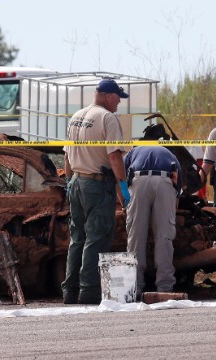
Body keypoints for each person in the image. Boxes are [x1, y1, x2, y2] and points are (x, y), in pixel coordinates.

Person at [62, 78, 131, 305]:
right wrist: (122, 188)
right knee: (96, 237)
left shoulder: (77, 116)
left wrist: (69, 182)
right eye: (118, 98)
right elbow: (114, 156)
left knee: (77, 238)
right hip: (97, 185)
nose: (119, 103)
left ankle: (70, 290)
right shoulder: (107, 118)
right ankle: (89, 290)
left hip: (77, 183)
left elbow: (67, 156)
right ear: (108, 95)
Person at [124, 146, 181, 298]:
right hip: (165, 180)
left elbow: (120, 176)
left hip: (139, 180)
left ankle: (135, 286)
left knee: (136, 236)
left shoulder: (132, 153)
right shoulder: (169, 154)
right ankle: (165, 287)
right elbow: (177, 180)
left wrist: (124, 200)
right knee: (164, 236)